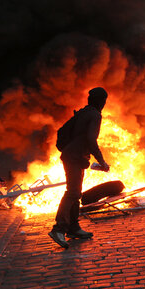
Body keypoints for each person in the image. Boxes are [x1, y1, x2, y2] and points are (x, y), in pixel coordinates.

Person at [48, 87, 110, 249]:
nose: (104, 103)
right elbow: (91, 139)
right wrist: (102, 161)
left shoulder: (84, 112)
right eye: (104, 100)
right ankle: (59, 229)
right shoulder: (95, 115)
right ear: (101, 101)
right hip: (74, 158)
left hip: (74, 156)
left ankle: (73, 228)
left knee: (76, 192)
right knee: (73, 192)